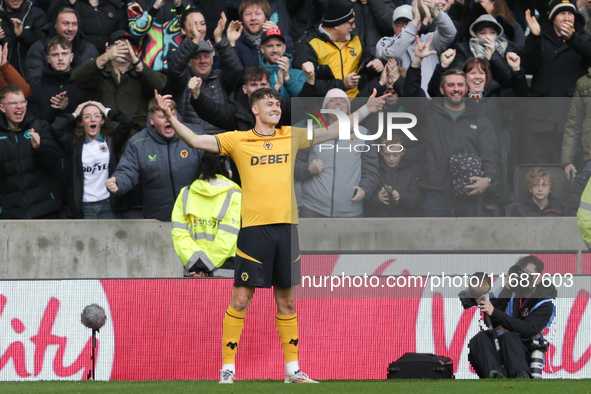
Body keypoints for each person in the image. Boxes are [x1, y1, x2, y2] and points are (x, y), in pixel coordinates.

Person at [155, 81, 387, 383]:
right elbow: (198, 141)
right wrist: (171, 117)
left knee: (287, 301)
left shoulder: (291, 135)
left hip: (287, 231)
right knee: (240, 299)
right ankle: (228, 368)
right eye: (269, 104)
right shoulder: (238, 140)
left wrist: (367, 108)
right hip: (254, 232)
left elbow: (333, 131)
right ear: (255, 110)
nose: (276, 108)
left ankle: (293, 371)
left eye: (278, 104)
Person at [404, 37, 499, 217]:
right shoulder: (429, 111)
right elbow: (410, 91)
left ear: (466, 89)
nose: (456, 89)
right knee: (434, 243)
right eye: (451, 85)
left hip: (470, 191)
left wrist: (487, 180)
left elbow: (491, 155)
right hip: (434, 192)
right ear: (442, 90)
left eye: (460, 85)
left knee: (471, 243)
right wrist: (417, 61)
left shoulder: (480, 120)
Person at [105, 98, 202, 221]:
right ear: (151, 120)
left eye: (172, 115)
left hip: (195, 216)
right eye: (162, 116)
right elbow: (127, 171)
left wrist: (224, 170)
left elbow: (211, 164)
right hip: (159, 219)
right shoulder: (137, 143)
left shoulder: (195, 134)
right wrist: (118, 182)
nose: (169, 119)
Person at [521, 0, 591, 164]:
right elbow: (527, 67)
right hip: (538, 120)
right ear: (552, 18)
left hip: (569, 121)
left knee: (567, 172)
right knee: (536, 172)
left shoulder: (583, 38)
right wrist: (534, 37)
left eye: (570, 14)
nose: (567, 18)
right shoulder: (539, 35)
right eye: (562, 14)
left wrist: (573, 38)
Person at [295, 88, 379, 217]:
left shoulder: (363, 134)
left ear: (348, 108)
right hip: (313, 209)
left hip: (351, 211)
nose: (338, 103)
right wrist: (308, 169)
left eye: (343, 101)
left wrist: (364, 190)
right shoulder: (311, 133)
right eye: (333, 100)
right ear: (325, 107)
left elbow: (371, 170)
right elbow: (294, 168)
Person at [468, 255, 556, 379]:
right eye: (521, 274)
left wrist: (495, 312)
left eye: (528, 275)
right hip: (500, 349)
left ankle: (521, 376)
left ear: (539, 278)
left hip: (524, 354)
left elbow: (527, 329)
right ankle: (495, 376)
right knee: (479, 339)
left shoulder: (544, 304)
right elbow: (491, 321)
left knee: (510, 337)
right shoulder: (505, 293)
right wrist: (508, 288)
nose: (524, 278)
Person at [50, 100, 133, 218]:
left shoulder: (111, 141)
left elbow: (128, 121)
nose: (92, 120)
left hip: (109, 205)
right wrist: (75, 113)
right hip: (84, 206)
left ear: (102, 120)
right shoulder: (73, 145)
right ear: (81, 122)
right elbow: (55, 127)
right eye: (87, 116)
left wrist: (105, 110)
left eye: (97, 116)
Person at [72, 30, 167, 132]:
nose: (123, 49)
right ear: (107, 48)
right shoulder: (98, 70)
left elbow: (159, 85)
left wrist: (135, 61)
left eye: (127, 46)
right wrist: (105, 56)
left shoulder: (142, 72)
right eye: (118, 45)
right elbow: (77, 78)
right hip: (103, 133)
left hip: (135, 135)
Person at [168, 12, 243, 133]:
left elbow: (236, 69)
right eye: (197, 57)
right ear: (189, 62)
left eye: (206, 56)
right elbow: (175, 69)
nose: (203, 61)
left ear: (212, 59)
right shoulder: (183, 80)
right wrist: (195, 40)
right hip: (189, 144)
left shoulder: (221, 78)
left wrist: (219, 38)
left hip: (219, 143)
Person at [171, 152, 241, 277]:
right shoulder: (234, 194)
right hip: (224, 268)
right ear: (225, 164)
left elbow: (179, 233)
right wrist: (205, 264)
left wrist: (196, 264)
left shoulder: (186, 192)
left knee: (194, 298)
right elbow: (228, 235)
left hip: (193, 267)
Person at [293, 0, 382, 98]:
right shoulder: (310, 45)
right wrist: (342, 84)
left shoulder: (356, 41)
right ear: (336, 25)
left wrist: (376, 66)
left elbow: (366, 72)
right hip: (324, 108)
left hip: (355, 105)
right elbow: (305, 87)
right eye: (350, 23)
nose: (354, 26)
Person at [0, 84, 62, 218]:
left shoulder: (40, 126)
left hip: (44, 208)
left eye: (23, 101)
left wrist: (39, 148)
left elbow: (54, 162)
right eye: (13, 103)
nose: (19, 106)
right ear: (2, 107)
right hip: (10, 212)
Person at [376, 0, 456, 96]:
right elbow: (394, 53)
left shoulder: (429, 40)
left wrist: (437, 14)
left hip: (432, 101)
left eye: (409, 22)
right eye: (399, 23)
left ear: (419, 25)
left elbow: (450, 33)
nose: (404, 27)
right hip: (403, 104)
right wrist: (413, 24)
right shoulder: (385, 42)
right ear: (393, 26)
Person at [25, 7, 99, 84]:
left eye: (74, 24)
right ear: (55, 25)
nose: (70, 29)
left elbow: (94, 83)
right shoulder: (39, 48)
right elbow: (34, 82)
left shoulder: (89, 50)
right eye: (66, 24)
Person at [29, 35, 87, 124]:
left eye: (64, 53)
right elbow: (35, 123)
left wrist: (68, 107)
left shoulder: (82, 86)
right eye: (55, 54)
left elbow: (87, 121)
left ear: (71, 57)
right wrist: (54, 108)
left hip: (76, 137)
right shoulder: (36, 89)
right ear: (48, 59)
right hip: (45, 137)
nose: (60, 58)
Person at [363, 132, 421, 217]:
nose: (391, 158)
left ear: (403, 152)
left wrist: (401, 196)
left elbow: (416, 201)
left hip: (403, 222)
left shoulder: (410, 171)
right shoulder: (374, 170)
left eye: (395, 154)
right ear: (381, 152)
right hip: (378, 222)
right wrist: (377, 198)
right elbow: (365, 202)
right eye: (387, 154)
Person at [127, 0, 191, 72]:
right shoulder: (138, 2)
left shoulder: (186, 2)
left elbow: (192, 30)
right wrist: (154, 8)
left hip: (178, 68)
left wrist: (179, 6)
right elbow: (136, 32)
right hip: (147, 69)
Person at [46, 0, 127, 54]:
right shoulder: (72, 3)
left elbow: (121, 32)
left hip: (109, 56)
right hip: (78, 56)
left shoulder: (115, 5)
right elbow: (52, 19)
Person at [233, 0, 294, 70]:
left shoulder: (286, 40)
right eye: (248, 14)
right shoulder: (237, 42)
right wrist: (232, 44)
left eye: (258, 14)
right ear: (242, 18)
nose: (253, 18)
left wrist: (277, 36)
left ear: (266, 18)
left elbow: (289, 69)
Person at [0, 0, 47, 76]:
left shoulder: (36, 14)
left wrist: (22, 34)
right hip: (3, 76)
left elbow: (43, 47)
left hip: (29, 76)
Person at [258, 27, 306, 99]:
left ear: (284, 48)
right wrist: (277, 86)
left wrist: (287, 78)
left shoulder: (300, 74)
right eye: (270, 46)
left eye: (278, 45)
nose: (275, 50)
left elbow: (306, 102)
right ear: (262, 49)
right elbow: (258, 103)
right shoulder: (255, 76)